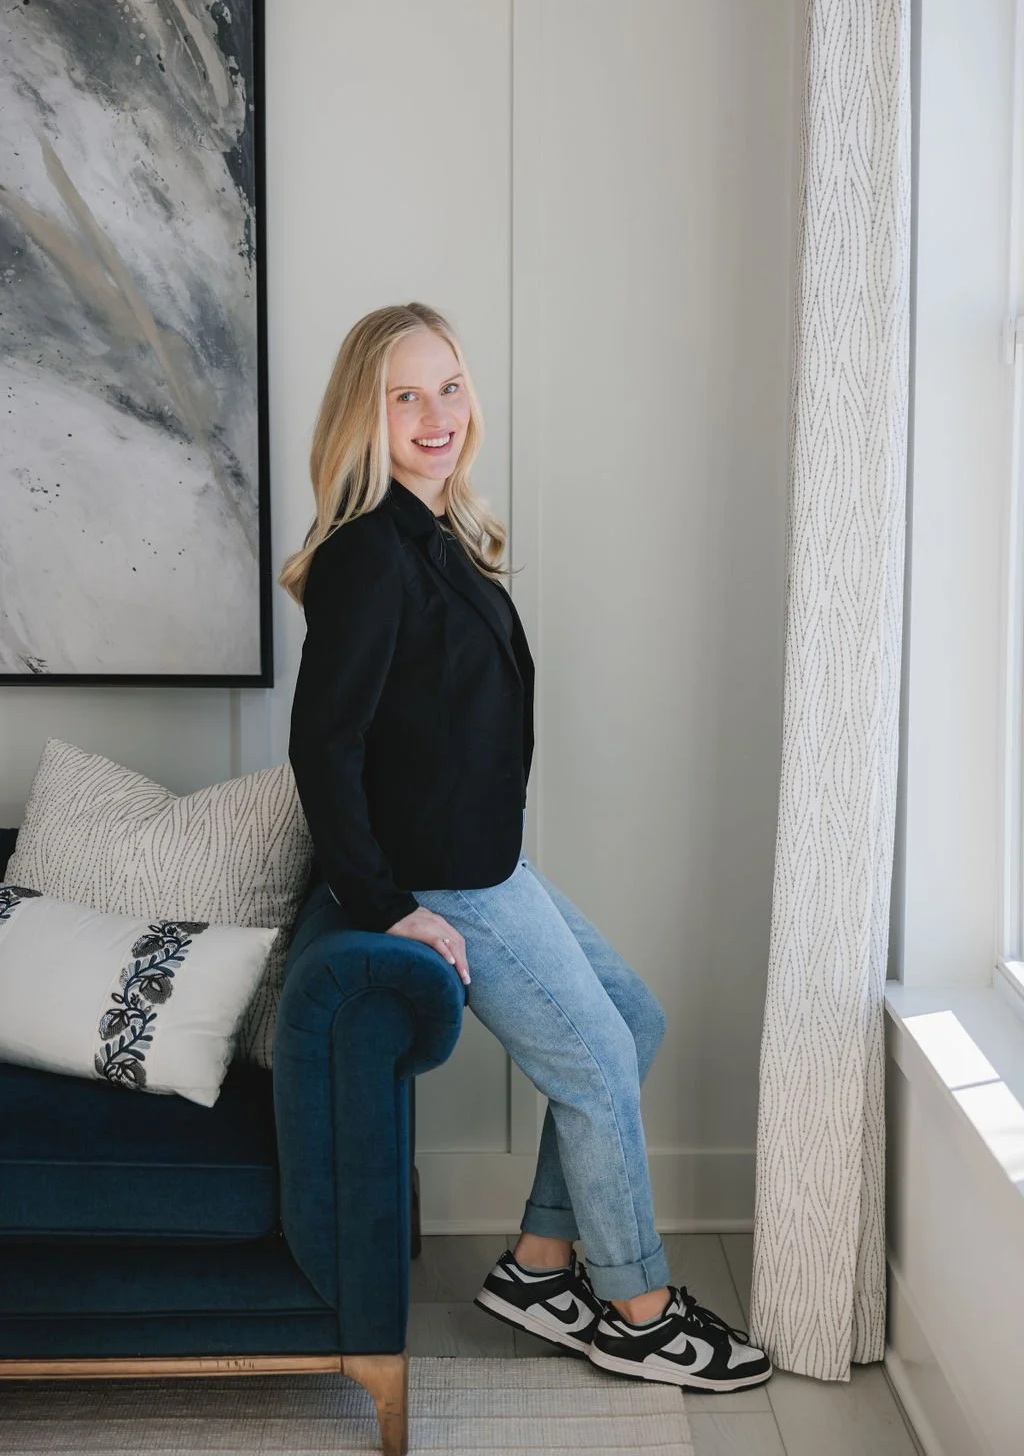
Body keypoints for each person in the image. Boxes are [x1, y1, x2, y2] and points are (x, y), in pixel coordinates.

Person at [281, 301, 772, 1392]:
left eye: (447, 386)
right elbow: (323, 746)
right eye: (403, 395)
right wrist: (385, 903)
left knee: (628, 1020)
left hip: (490, 861)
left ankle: (541, 1269)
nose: (433, 414)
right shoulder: (369, 554)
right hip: (449, 881)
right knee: (597, 1063)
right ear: (367, 414)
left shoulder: (439, 529)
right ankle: (637, 1309)